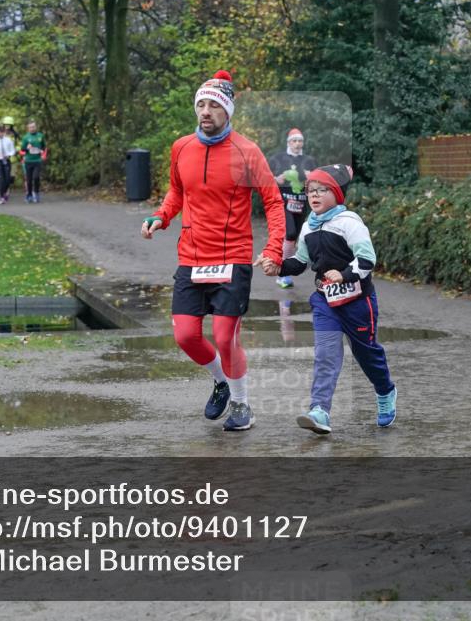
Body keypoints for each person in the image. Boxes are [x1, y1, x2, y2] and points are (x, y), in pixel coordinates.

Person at [141, 69, 286, 431]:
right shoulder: (181, 147)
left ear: (228, 111)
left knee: (224, 336)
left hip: (233, 257)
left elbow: (273, 201)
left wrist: (274, 249)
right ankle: (221, 380)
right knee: (185, 336)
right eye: (201, 104)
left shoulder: (247, 151)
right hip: (191, 257)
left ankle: (241, 404)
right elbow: (177, 191)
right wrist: (161, 216)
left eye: (214, 105)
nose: (205, 111)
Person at [261, 164, 396, 435]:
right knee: (326, 355)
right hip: (325, 301)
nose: (314, 195)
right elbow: (301, 262)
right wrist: (278, 266)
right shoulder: (308, 228)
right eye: (311, 190)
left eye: (322, 190)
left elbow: (367, 259)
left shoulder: (349, 223)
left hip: (358, 302)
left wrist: (343, 275)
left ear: (336, 194)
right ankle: (319, 410)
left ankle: (385, 392)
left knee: (367, 355)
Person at [266, 128, 318, 289]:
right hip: (283, 202)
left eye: (300, 141)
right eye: (294, 141)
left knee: (293, 238)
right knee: (290, 234)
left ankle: (284, 268)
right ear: (289, 142)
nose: (297, 144)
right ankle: (282, 272)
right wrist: (276, 179)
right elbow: (264, 177)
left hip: (301, 203)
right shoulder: (278, 158)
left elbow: (318, 181)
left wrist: (311, 177)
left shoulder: (309, 160)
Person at [20, 121, 46, 203]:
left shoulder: (40, 136)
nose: (32, 128)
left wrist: (43, 153)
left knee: (36, 177)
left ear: (36, 127)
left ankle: (36, 193)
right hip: (28, 161)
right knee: (29, 179)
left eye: (33, 127)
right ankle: (29, 195)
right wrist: (27, 148)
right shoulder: (26, 137)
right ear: (28, 128)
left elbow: (44, 147)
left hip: (37, 161)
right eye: (30, 127)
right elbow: (22, 149)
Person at [0, 124, 16, 203]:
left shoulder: (8, 140)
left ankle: (5, 192)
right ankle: (1, 197)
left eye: (1, 132)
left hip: (6, 160)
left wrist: (9, 154)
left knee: (7, 179)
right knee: (1, 179)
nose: (0, 134)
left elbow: (13, 150)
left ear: (4, 133)